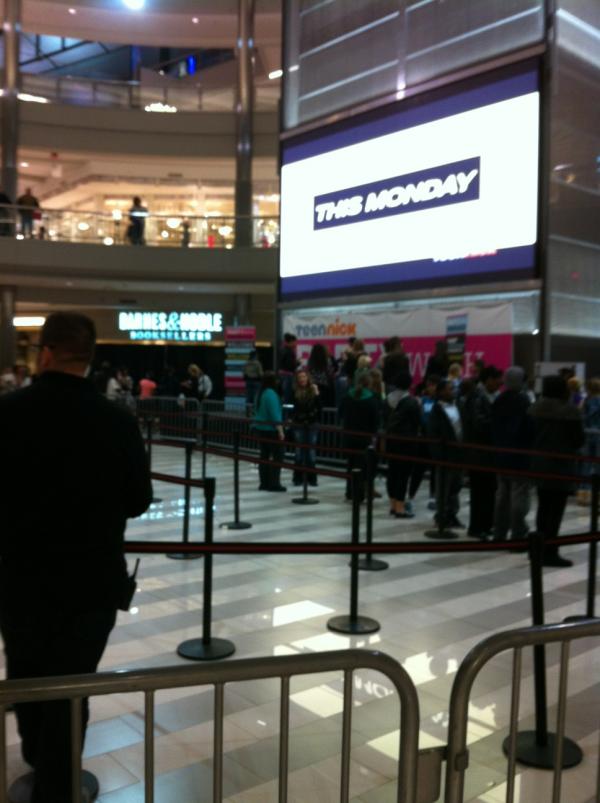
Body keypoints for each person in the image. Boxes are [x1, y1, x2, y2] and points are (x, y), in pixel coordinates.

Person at [0, 311, 152, 803]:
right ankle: (59, 782)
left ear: (45, 353)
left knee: (26, 671)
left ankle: (39, 760)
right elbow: (139, 499)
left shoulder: (7, 413)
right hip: (92, 583)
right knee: (72, 682)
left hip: (20, 579)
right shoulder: (117, 421)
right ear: (88, 358)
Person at [529, 375, 585, 567]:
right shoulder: (570, 411)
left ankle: (538, 549)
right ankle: (550, 551)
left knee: (543, 508)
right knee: (556, 510)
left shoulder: (535, 408)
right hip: (561, 466)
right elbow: (578, 440)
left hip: (539, 464)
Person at [491, 366, 534, 545]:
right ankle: (517, 534)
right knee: (519, 496)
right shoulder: (524, 401)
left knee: (502, 496)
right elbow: (529, 428)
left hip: (501, 455)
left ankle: (499, 533)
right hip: (520, 456)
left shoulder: (499, 399)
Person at [461, 365, 503, 539]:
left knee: (489, 490)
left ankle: (486, 525)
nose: (499, 383)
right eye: (497, 380)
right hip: (479, 453)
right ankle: (477, 527)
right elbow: (478, 425)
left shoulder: (487, 396)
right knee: (480, 492)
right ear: (488, 380)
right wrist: (497, 422)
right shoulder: (477, 397)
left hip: (486, 453)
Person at [428, 378, 465, 532]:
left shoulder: (458, 405)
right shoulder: (436, 410)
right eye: (450, 389)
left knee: (456, 487)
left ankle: (452, 514)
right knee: (443, 488)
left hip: (458, 454)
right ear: (442, 391)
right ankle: (441, 517)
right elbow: (433, 435)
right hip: (445, 456)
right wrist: (439, 456)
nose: (453, 391)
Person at [338, 371, 380, 502]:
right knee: (362, 466)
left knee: (350, 465)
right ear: (370, 384)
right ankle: (359, 494)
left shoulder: (347, 396)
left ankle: (349, 492)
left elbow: (340, 413)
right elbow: (375, 422)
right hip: (364, 438)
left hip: (348, 436)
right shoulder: (372, 399)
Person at [385, 372, 421, 518]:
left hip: (390, 440)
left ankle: (393, 505)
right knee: (403, 475)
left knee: (392, 472)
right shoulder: (412, 402)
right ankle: (400, 508)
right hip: (406, 443)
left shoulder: (388, 399)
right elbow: (417, 422)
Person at [252, 371, 286, 491]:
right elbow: (274, 414)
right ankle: (274, 484)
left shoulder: (260, 393)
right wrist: (280, 430)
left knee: (264, 456)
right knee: (277, 457)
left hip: (260, 428)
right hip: (270, 430)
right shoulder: (271, 394)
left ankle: (264, 483)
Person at [291, 369, 321, 486]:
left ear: (308, 378)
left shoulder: (313, 390)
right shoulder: (295, 391)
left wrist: (317, 393)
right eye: (300, 377)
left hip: (312, 423)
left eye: (304, 377)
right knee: (299, 450)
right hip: (299, 423)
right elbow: (294, 408)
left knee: (311, 451)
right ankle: (297, 478)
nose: (302, 379)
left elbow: (319, 407)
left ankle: (312, 478)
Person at [579, 378, 600, 505]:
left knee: (585, 466)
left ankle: (583, 495)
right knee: (598, 466)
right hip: (598, 436)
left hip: (587, 435)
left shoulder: (586, 401)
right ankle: (597, 495)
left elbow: (582, 418)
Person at [307, 343, 335, 407]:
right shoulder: (327, 360)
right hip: (326, 385)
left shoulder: (311, 361)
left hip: (314, 386)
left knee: (316, 403)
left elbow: (309, 372)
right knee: (327, 404)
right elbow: (330, 372)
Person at [278, 333, 299, 404]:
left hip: (282, 375)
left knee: (283, 394)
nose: (295, 344)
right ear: (291, 341)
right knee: (288, 395)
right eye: (295, 342)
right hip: (288, 376)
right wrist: (297, 363)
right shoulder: (290, 351)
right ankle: (287, 410)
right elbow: (290, 366)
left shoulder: (282, 349)